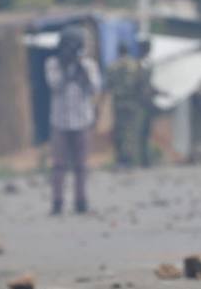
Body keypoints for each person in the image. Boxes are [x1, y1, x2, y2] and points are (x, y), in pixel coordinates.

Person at [44, 27, 102, 214]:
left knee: (81, 165)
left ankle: (81, 201)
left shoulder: (89, 65)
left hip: (82, 120)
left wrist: (80, 69)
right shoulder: (53, 63)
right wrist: (66, 68)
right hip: (59, 121)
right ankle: (57, 202)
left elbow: (94, 88)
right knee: (58, 165)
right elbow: (55, 85)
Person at [107, 42, 144, 167]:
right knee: (131, 131)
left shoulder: (112, 66)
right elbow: (141, 85)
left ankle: (120, 160)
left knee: (119, 131)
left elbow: (108, 86)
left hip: (119, 103)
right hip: (132, 102)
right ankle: (130, 159)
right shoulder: (135, 65)